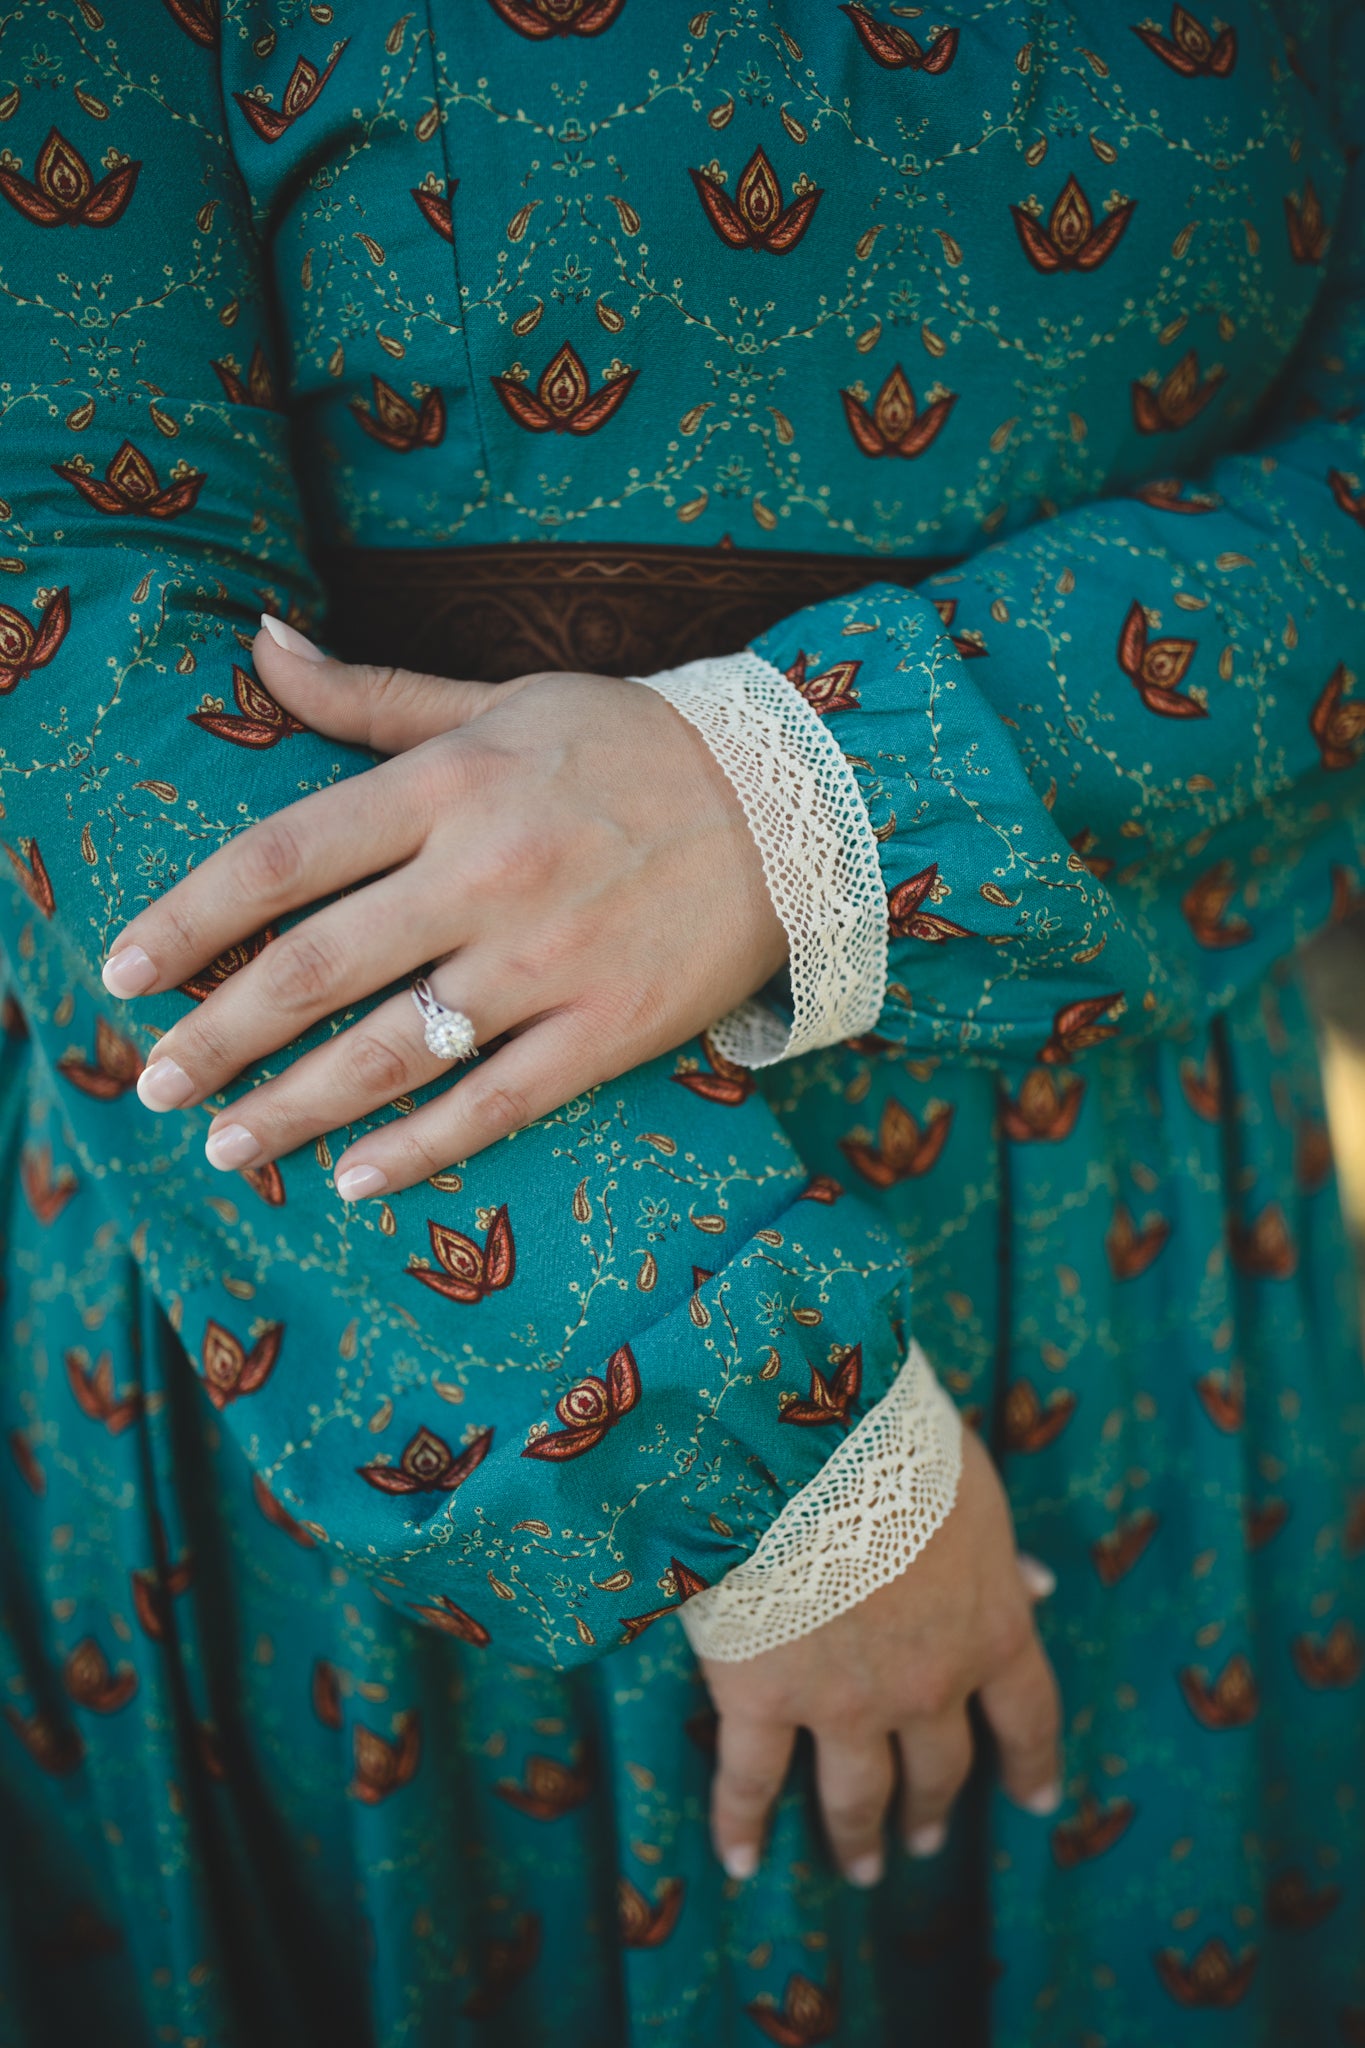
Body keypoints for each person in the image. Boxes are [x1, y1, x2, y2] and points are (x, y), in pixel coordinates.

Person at [1, 2, 1363, 2042]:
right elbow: (61, 591)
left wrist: (799, 791)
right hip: (408, 1261)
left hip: (1124, 1238)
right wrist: (754, 1442)